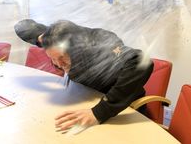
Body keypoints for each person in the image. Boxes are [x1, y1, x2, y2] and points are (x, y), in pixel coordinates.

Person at [14, 19, 153, 131]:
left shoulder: (101, 43)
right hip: (88, 99)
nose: (59, 64)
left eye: (62, 58)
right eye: (53, 59)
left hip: (123, 111)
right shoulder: (53, 38)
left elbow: (142, 61)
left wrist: (99, 112)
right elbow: (21, 27)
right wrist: (43, 38)